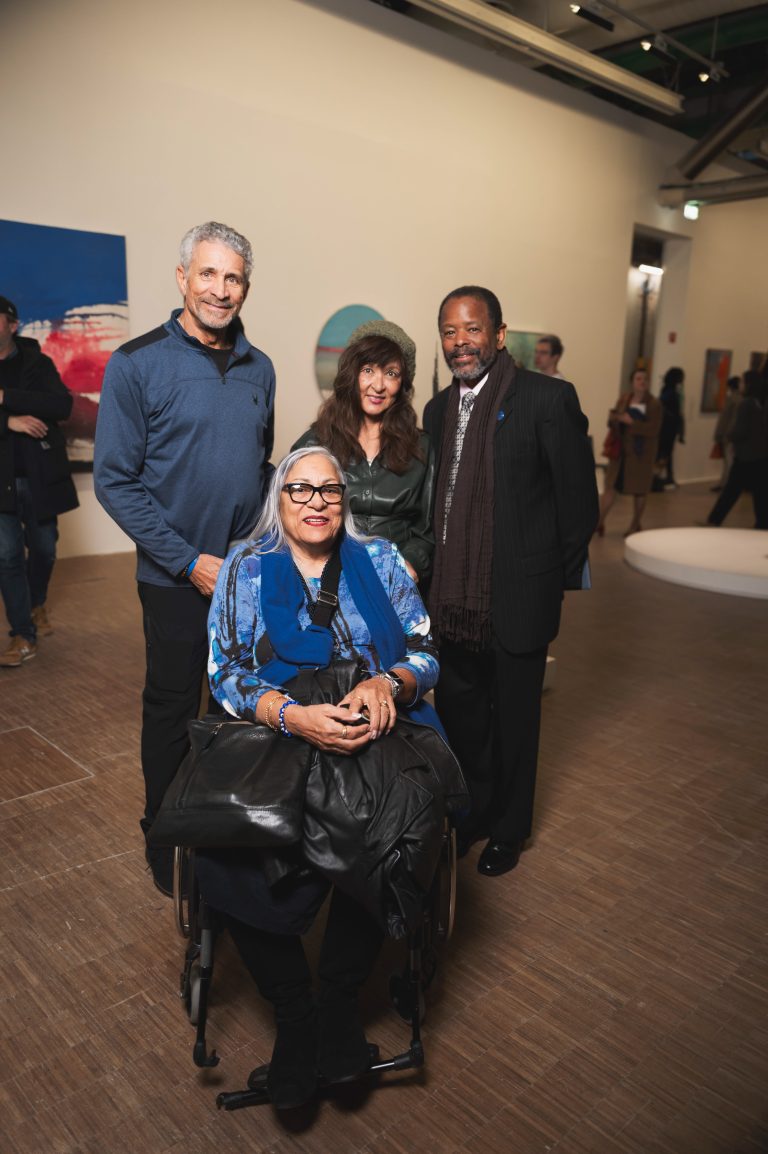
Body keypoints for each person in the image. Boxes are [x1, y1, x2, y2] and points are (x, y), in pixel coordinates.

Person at [199, 445, 442, 1109]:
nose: (316, 503)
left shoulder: (382, 561)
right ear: (279, 500)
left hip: (369, 721)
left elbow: (425, 650)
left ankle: (337, 1008)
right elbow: (223, 673)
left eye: (328, 491)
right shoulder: (247, 567)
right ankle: (297, 1018)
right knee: (230, 850)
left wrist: (390, 679)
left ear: (345, 498)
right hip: (278, 723)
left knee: (390, 833)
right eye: (300, 490)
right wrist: (290, 715)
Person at [94, 221, 275, 896]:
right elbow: (115, 479)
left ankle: (226, 827)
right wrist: (188, 561)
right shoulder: (137, 364)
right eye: (208, 274)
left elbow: (260, 470)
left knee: (237, 708)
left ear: (244, 287)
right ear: (182, 278)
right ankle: (163, 832)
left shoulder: (262, 368)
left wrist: (253, 555)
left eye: (232, 278)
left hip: (243, 578)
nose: (219, 290)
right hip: (173, 576)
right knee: (173, 706)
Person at [424, 286, 598, 877]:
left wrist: (547, 579)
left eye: (473, 329)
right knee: (463, 713)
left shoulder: (547, 399)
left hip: (519, 597)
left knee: (516, 720)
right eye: (449, 331)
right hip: (452, 600)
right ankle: (475, 809)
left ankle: (509, 828)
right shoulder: (437, 410)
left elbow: (578, 506)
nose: (460, 342)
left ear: (499, 335)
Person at [293, 319, 434, 583]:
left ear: (402, 384)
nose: (378, 385)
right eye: (368, 370)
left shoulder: (422, 448)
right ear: (351, 374)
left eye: (391, 373)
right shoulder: (314, 444)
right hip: (325, 585)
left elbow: (428, 529)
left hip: (397, 586)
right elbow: (289, 521)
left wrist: (410, 564)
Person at [0, 295, 78, 668]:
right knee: (7, 556)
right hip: (2, 482)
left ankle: (35, 604)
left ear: (12, 325)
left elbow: (61, 405)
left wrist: (4, 396)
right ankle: (22, 634)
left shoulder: (36, 362)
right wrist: (8, 421)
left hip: (39, 476)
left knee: (45, 548)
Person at [597, 368, 662, 537]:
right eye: (638, 378)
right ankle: (599, 522)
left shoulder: (653, 404)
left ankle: (634, 524)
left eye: (645, 379)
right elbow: (611, 420)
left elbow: (653, 429)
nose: (642, 381)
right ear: (632, 382)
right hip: (620, 453)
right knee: (610, 487)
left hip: (641, 455)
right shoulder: (624, 399)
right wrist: (615, 418)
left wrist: (632, 422)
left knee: (640, 490)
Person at [704, 370, 768, 529]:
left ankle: (714, 520)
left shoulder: (746, 404)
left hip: (745, 455)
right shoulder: (760, 403)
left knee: (731, 491)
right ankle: (762, 523)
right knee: (759, 492)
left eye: (742, 381)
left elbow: (739, 430)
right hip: (759, 455)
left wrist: (728, 436)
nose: (740, 384)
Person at [710, 375, 742, 492]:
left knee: (729, 461)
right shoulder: (734, 399)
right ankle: (725, 483)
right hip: (728, 434)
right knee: (728, 461)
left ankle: (727, 483)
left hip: (728, 435)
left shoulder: (735, 400)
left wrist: (724, 434)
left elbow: (729, 419)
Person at [656, 367, 685, 489]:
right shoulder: (670, 393)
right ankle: (660, 476)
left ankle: (666, 476)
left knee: (666, 453)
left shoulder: (669, 391)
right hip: (668, 428)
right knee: (665, 452)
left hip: (668, 427)